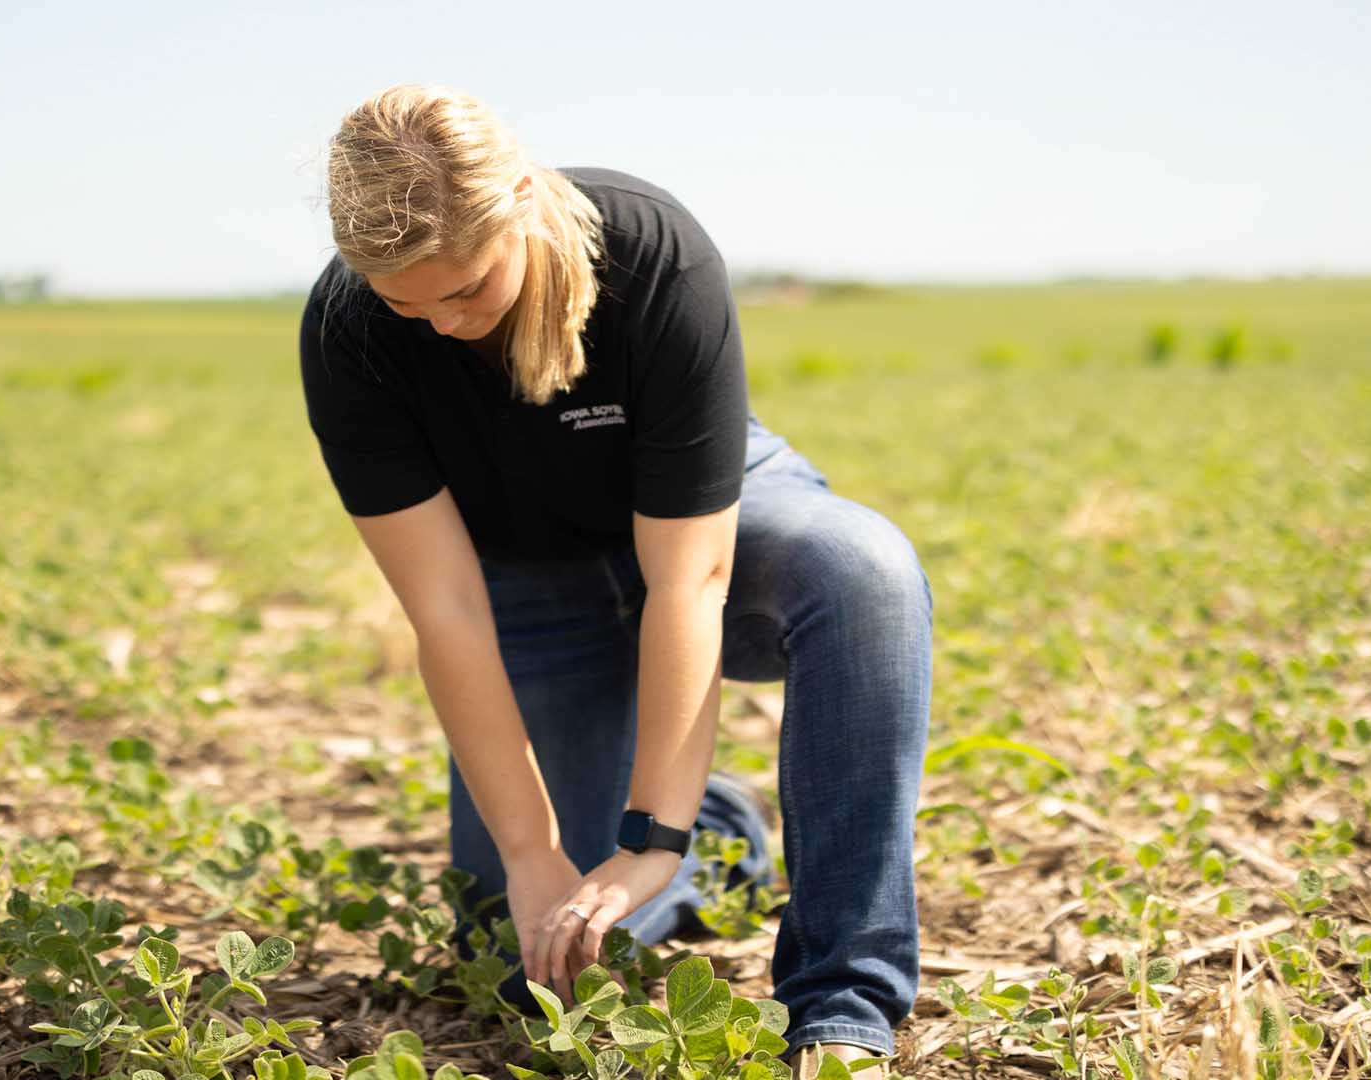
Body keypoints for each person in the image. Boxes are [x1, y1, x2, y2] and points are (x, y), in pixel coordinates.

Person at [297, 84, 931, 1076]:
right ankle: (721, 836)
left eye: (465, 291)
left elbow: (691, 578)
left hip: (698, 526)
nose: (443, 328)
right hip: (527, 576)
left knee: (862, 570)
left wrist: (652, 835)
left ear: (517, 199)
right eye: (404, 304)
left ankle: (843, 999)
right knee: (527, 961)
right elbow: (449, 610)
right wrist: (528, 850)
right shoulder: (349, 332)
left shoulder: (649, 252)